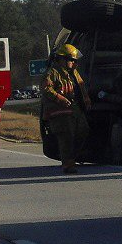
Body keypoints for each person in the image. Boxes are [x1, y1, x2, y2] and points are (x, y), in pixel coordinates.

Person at [41, 44, 91, 173]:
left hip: (74, 110)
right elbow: (46, 89)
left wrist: (86, 100)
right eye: (71, 60)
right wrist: (59, 98)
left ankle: (72, 158)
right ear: (61, 59)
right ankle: (68, 165)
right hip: (59, 112)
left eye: (75, 60)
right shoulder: (53, 73)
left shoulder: (74, 73)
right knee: (66, 137)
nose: (74, 63)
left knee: (83, 130)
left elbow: (81, 88)